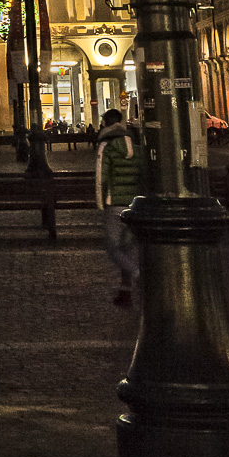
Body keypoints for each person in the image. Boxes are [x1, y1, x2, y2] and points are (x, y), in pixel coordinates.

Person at [95, 108, 143, 308]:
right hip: (134, 205)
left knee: (114, 247)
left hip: (113, 204)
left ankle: (138, 274)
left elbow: (101, 177)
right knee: (129, 247)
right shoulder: (137, 145)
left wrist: (100, 204)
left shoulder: (106, 146)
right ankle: (125, 291)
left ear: (106, 123)